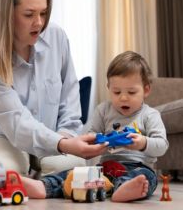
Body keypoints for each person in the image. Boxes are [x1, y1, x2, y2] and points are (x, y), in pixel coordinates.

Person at [0, 0, 107, 177]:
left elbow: (70, 97)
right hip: (6, 138)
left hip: (56, 133)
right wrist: (62, 145)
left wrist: (65, 137)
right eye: (29, 14)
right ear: (8, 15)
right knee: (4, 176)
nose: (39, 23)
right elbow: (17, 124)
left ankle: (41, 179)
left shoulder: (57, 37)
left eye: (43, 13)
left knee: (74, 173)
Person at [22, 51, 169, 202]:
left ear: (146, 90)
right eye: (116, 92)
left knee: (144, 178)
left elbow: (162, 145)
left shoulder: (150, 115)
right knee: (77, 173)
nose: (123, 97)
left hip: (138, 166)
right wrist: (98, 142)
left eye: (131, 92)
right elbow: (92, 135)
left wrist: (143, 143)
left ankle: (125, 188)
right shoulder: (103, 110)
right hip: (105, 167)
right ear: (108, 87)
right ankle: (45, 186)